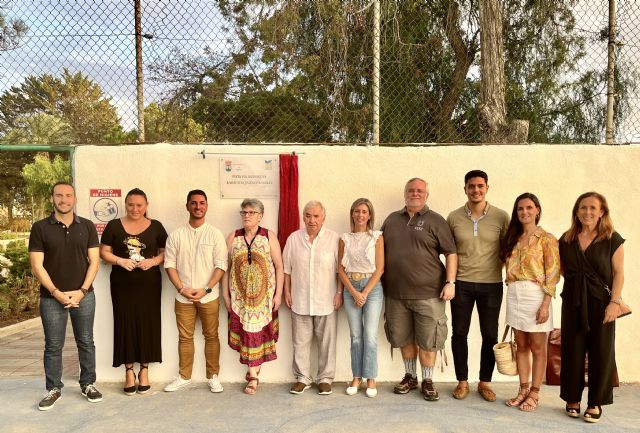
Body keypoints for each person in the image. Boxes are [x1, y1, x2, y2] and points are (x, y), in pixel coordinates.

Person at [382, 178, 457, 402]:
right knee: (404, 338)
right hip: (396, 294)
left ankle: (427, 380)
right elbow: (377, 250)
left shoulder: (436, 220)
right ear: (405, 194)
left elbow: (451, 253)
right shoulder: (392, 220)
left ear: (426, 195)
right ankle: (410, 376)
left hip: (430, 294)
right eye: (411, 190)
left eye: (419, 191)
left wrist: (451, 282)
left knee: (429, 339)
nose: (415, 193)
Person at [29, 182, 102, 410]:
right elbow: (36, 266)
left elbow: (95, 262)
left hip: (84, 296)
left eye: (68, 195)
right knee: (53, 345)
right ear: (53, 199)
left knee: (86, 342)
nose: (64, 200)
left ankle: (88, 384)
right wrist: (56, 293)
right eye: (59, 195)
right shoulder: (40, 228)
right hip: (51, 298)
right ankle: (53, 389)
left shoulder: (87, 226)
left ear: (75, 199)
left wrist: (81, 291)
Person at [559, 192, 625, 423]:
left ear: (602, 212)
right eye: (583, 208)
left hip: (601, 303)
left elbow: (618, 274)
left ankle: (595, 402)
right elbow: (559, 271)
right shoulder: (566, 239)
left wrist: (614, 303)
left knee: (601, 352)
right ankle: (572, 398)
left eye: (592, 208)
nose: (587, 212)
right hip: (573, 302)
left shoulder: (612, 239)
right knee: (572, 350)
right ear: (576, 212)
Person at [447, 170, 509, 401]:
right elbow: (449, 251)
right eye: (471, 186)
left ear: (487, 188)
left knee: (490, 335)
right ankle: (462, 382)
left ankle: (485, 382)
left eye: (480, 186)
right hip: (461, 283)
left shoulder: (501, 217)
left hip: (492, 284)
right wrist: (449, 281)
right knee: (459, 333)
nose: (476, 190)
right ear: (465, 189)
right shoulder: (453, 217)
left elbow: (509, 248)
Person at [99, 188, 167, 395]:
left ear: (146, 205)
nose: (135, 209)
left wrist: (153, 261)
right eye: (131, 204)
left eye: (139, 205)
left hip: (149, 284)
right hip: (122, 284)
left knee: (148, 324)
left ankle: (144, 370)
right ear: (125, 205)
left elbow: (166, 252)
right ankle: (129, 371)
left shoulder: (156, 226)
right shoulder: (113, 225)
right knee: (124, 324)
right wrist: (120, 261)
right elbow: (103, 252)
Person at [499, 193, 560, 411]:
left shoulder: (547, 239)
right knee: (521, 345)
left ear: (537, 210)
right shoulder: (512, 238)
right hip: (515, 294)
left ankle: (535, 392)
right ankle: (523, 389)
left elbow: (553, 274)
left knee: (537, 347)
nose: (524, 212)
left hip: (536, 295)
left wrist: (545, 304)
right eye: (520, 209)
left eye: (529, 208)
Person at [162, 190, 227, 394]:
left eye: (201, 203)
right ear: (187, 206)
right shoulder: (176, 235)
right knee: (185, 338)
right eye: (194, 203)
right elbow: (169, 265)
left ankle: (213, 376)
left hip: (209, 296)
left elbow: (221, 265)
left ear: (206, 206)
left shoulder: (215, 234)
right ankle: (184, 377)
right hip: (183, 296)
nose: (198, 207)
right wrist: (182, 288)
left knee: (211, 336)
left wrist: (205, 289)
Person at [221, 198, 284, 395]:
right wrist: (226, 294)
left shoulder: (268, 236)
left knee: (259, 335)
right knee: (247, 336)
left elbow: (280, 267)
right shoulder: (233, 237)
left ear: (260, 216)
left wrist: (278, 294)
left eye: (251, 213)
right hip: (241, 299)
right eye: (244, 212)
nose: (246, 216)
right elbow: (226, 269)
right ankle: (253, 373)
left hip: (263, 298)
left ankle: (253, 372)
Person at [283, 200, 342, 396]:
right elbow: (286, 270)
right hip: (299, 299)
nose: (312, 220)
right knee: (300, 342)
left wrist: (339, 292)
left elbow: (340, 271)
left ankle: (325, 378)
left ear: (323, 217)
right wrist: (287, 292)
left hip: (326, 300)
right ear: (303, 217)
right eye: (308, 215)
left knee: (327, 342)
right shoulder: (293, 239)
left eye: (316, 216)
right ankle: (303, 378)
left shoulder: (334, 239)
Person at [338, 198, 384, 398]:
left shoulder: (376, 237)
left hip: (372, 290)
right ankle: (356, 376)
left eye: (364, 211)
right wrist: (354, 292)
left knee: (370, 336)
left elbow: (381, 267)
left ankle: (371, 377)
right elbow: (340, 269)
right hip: (351, 288)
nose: (360, 215)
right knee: (356, 336)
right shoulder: (344, 238)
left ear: (369, 215)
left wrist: (364, 293)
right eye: (356, 211)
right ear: (352, 214)